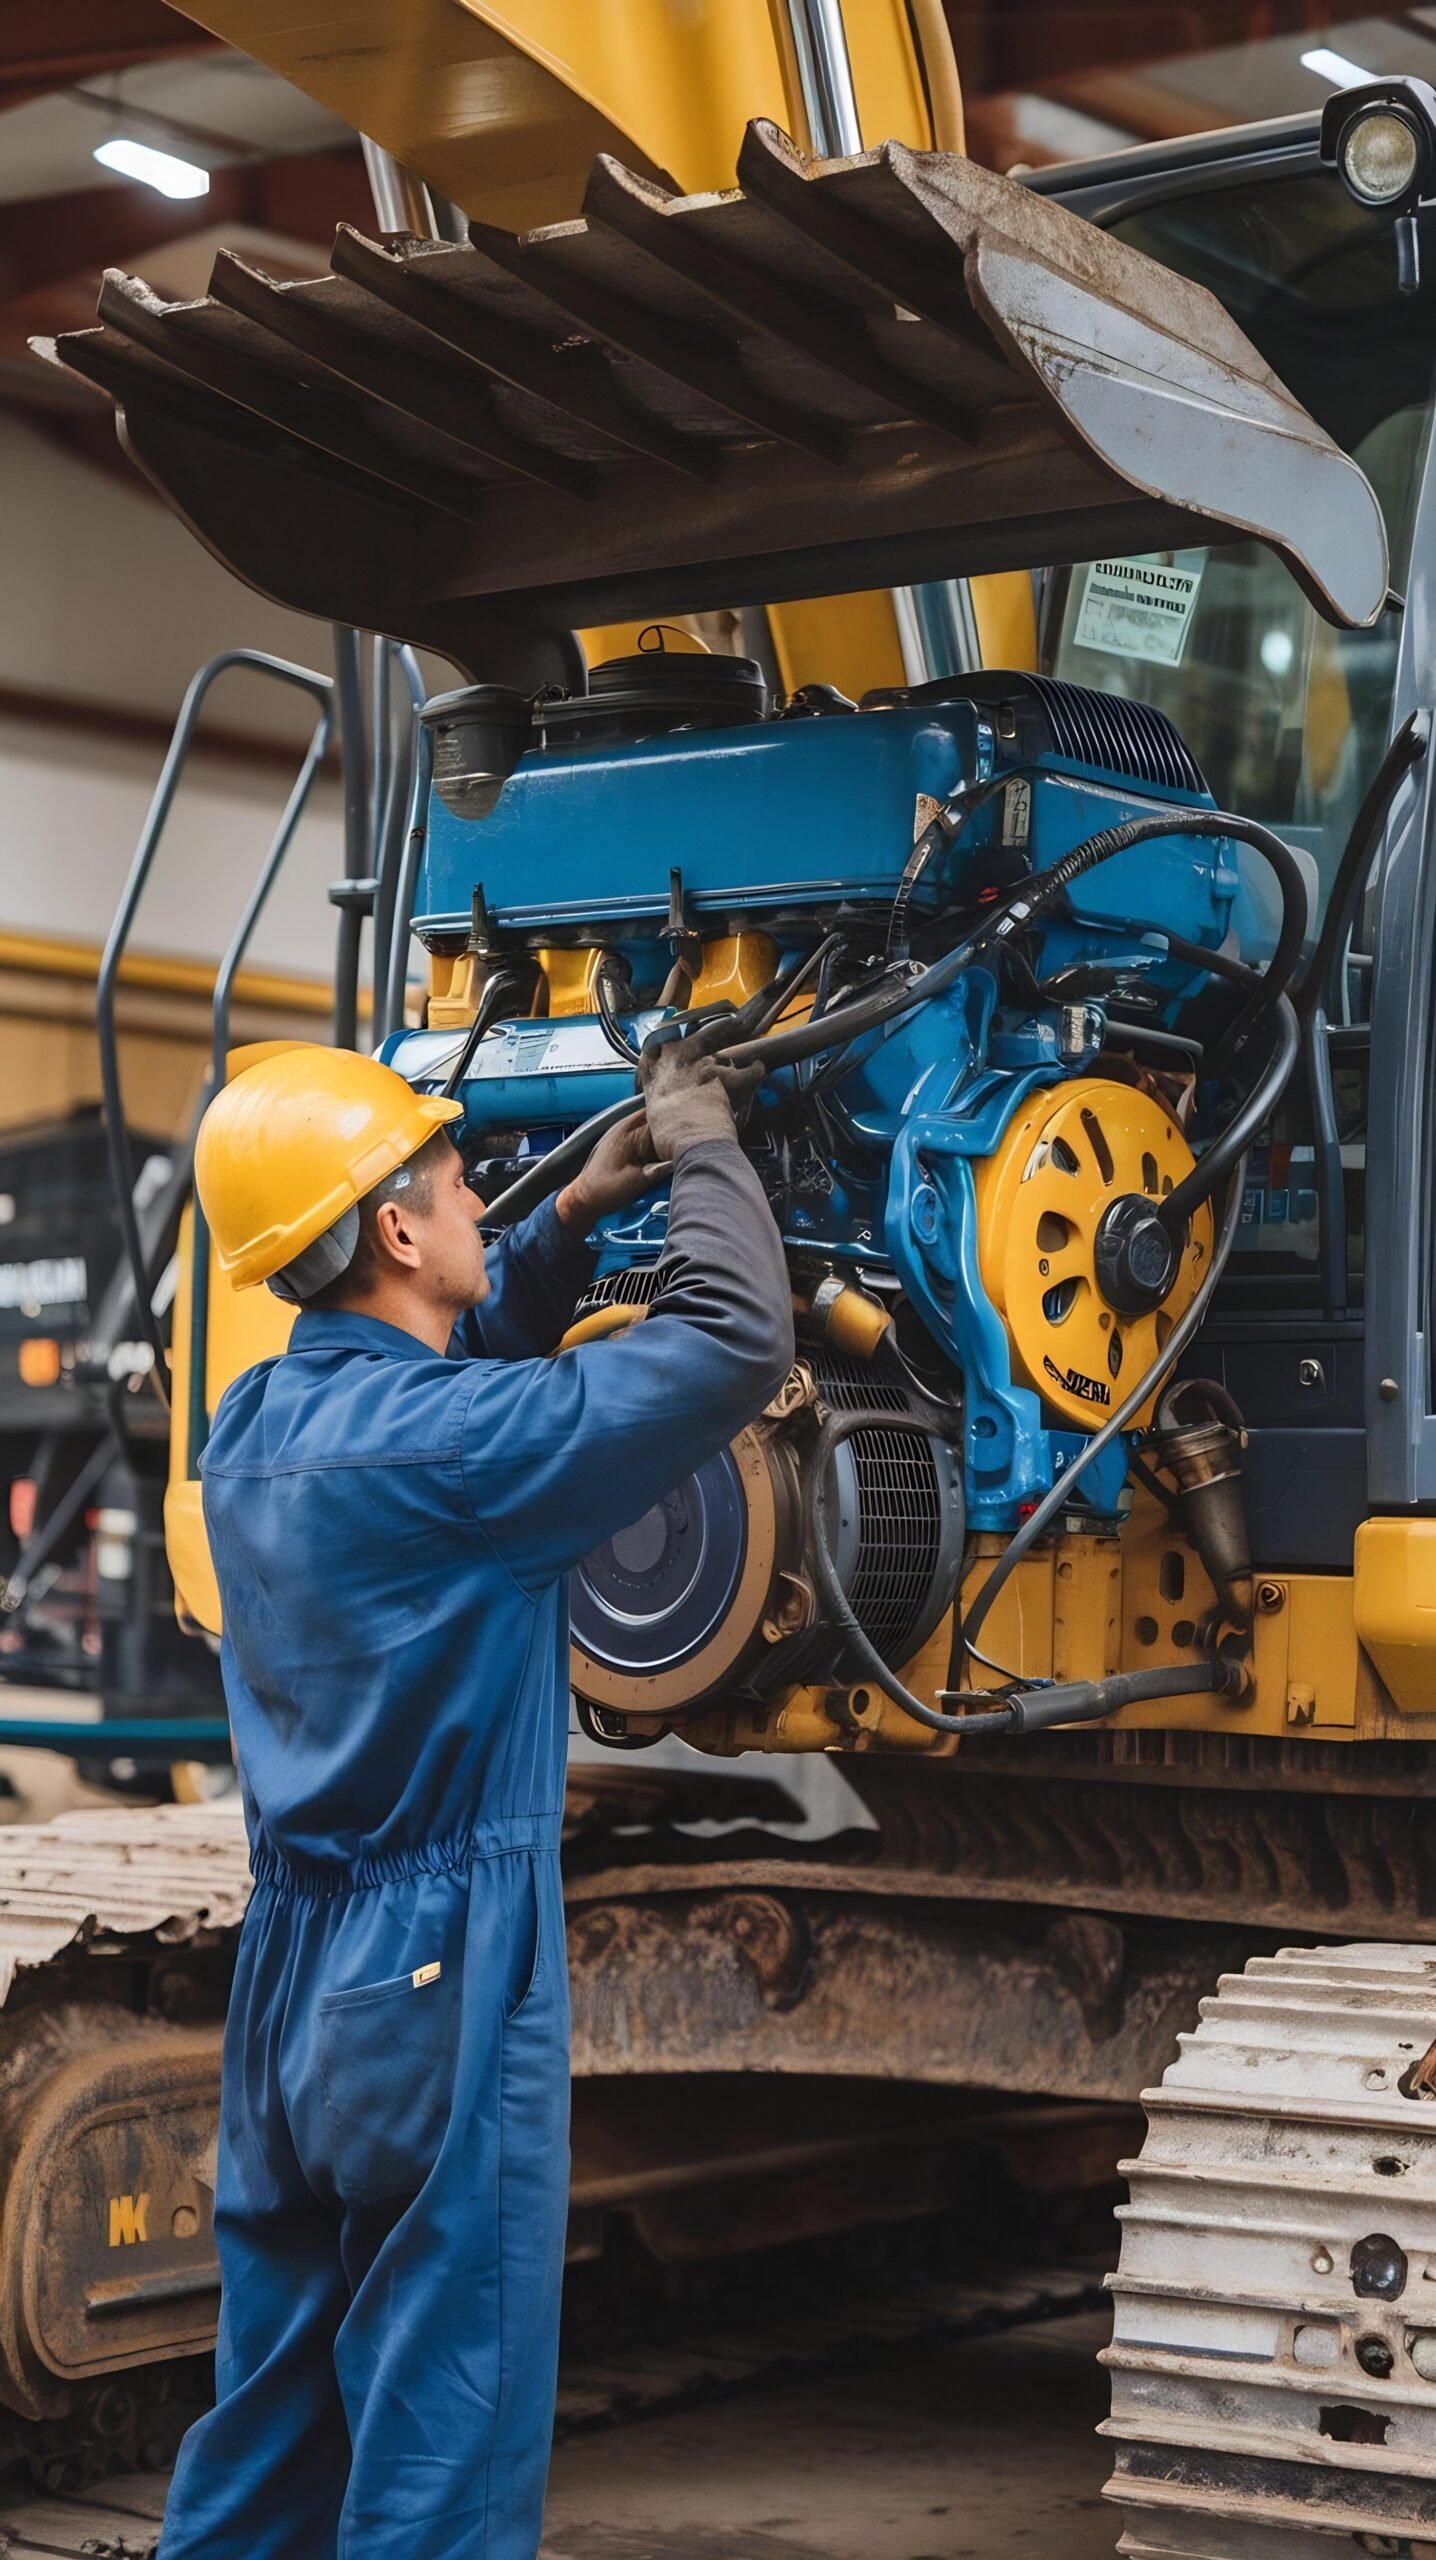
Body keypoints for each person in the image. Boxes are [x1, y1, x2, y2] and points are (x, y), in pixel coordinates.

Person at [157, 1012, 793, 2560]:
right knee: (446, 2425)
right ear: (392, 1227)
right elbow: (732, 1344)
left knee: (278, 2414)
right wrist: (707, 1144)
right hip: (440, 1974)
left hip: (295, 1978)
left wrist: (573, 1217)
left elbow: (458, 1383)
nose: (476, 1207)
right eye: (458, 1186)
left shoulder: (256, 1435)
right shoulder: (454, 1457)